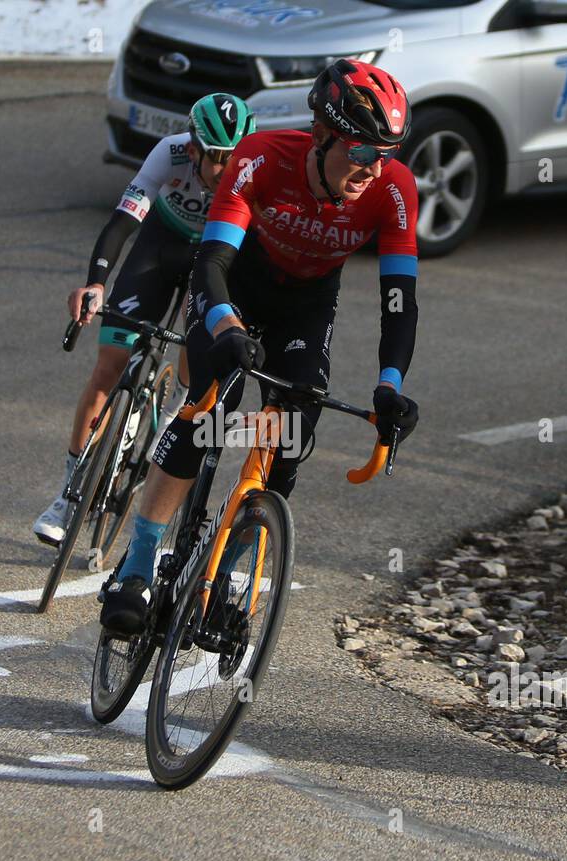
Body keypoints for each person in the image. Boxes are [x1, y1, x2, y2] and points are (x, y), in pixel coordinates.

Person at [100, 58, 422, 633]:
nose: (374, 169)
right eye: (362, 151)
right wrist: (226, 326)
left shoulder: (393, 188)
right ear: (321, 135)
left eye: (386, 154)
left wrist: (390, 386)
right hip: (234, 288)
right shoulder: (259, 158)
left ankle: (235, 570)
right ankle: (139, 564)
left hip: (306, 304)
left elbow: (398, 299)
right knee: (208, 415)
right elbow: (213, 261)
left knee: (294, 429)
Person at [33, 93, 256, 545]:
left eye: (235, 158)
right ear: (192, 149)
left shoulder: (253, 171)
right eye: (217, 159)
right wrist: (96, 283)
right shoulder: (168, 153)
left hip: (212, 258)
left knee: (197, 365)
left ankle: (172, 408)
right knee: (109, 365)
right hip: (161, 244)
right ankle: (68, 494)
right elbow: (121, 223)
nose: (227, 169)